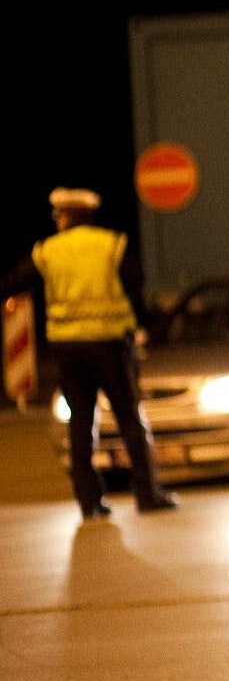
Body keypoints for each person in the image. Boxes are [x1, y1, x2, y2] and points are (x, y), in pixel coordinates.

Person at [0, 188, 179, 519]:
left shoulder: (47, 251)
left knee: (81, 425)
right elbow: (136, 282)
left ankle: (89, 502)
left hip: (68, 351)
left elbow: (15, 281)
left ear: (65, 217)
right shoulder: (111, 245)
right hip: (110, 346)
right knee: (129, 420)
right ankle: (147, 494)